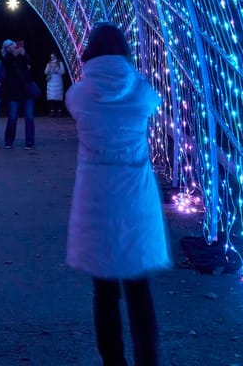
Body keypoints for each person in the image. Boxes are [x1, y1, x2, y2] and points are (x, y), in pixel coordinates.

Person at [66, 23, 168, 366]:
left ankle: (113, 362)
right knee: (139, 293)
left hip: (96, 201)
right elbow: (152, 100)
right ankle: (147, 361)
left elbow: (73, 102)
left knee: (104, 292)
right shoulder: (141, 92)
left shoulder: (79, 95)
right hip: (136, 200)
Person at [1, 40, 35, 149]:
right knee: (12, 117)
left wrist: (23, 54)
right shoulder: (7, 58)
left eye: (12, 45)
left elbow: (29, 63)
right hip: (13, 92)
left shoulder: (22, 55)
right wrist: (12, 56)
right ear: (5, 49)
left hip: (26, 91)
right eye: (8, 46)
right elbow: (6, 65)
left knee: (29, 117)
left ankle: (29, 141)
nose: (11, 47)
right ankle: (8, 141)